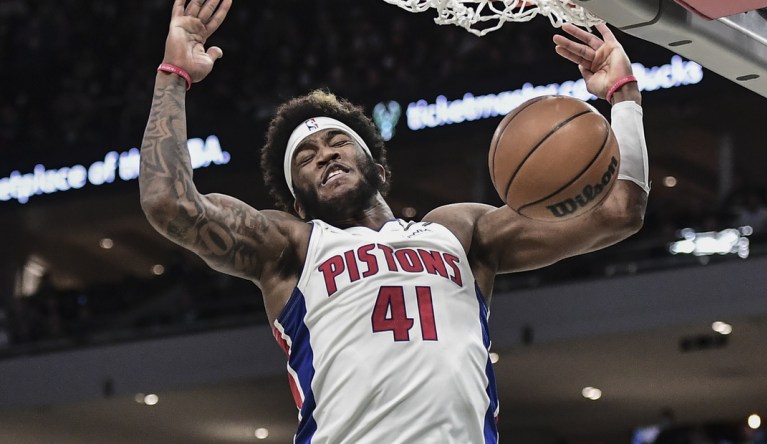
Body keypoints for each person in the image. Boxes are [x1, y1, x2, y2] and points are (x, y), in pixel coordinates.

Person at [139, 0, 649, 442]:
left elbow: (619, 213)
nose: (324, 155)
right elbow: (170, 205)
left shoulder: (458, 232)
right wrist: (173, 77)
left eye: (339, 143)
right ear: (297, 203)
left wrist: (623, 98)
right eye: (306, 157)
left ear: (379, 171)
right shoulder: (292, 246)